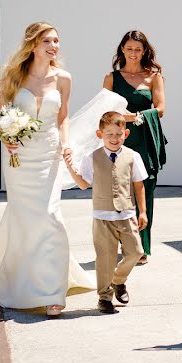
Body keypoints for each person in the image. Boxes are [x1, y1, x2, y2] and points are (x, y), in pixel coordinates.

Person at [0, 22, 94, 317]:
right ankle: (21, 282)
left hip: (50, 154)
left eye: (56, 41)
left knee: (50, 216)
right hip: (20, 158)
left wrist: (66, 144)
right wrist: (7, 138)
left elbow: (64, 115)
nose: (54, 46)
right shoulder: (13, 75)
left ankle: (53, 291)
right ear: (33, 44)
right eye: (47, 41)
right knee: (25, 218)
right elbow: (2, 110)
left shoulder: (64, 78)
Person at [64, 111, 149, 314]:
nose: (114, 138)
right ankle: (104, 297)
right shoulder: (92, 157)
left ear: (126, 134)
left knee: (136, 252)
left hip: (127, 214)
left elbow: (139, 185)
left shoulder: (132, 156)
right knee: (105, 259)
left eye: (118, 134)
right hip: (102, 217)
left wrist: (143, 212)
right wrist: (70, 168)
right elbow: (84, 183)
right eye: (109, 134)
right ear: (99, 134)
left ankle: (118, 281)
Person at [103, 30, 166, 264]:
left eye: (138, 49)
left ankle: (142, 248)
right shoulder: (111, 78)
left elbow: (160, 109)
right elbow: (104, 111)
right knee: (121, 193)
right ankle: (127, 244)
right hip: (118, 142)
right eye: (129, 48)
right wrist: (122, 120)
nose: (133, 53)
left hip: (146, 139)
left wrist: (136, 117)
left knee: (145, 191)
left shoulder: (153, 76)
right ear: (122, 50)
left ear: (144, 51)